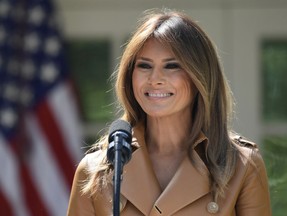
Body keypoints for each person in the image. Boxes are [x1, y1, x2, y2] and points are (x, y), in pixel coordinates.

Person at [67, 9, 271, 216]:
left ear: (200, 76)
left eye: (172, 66)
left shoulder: (241, 165)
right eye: (144, 66)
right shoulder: (96, 170)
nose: (155, 79)